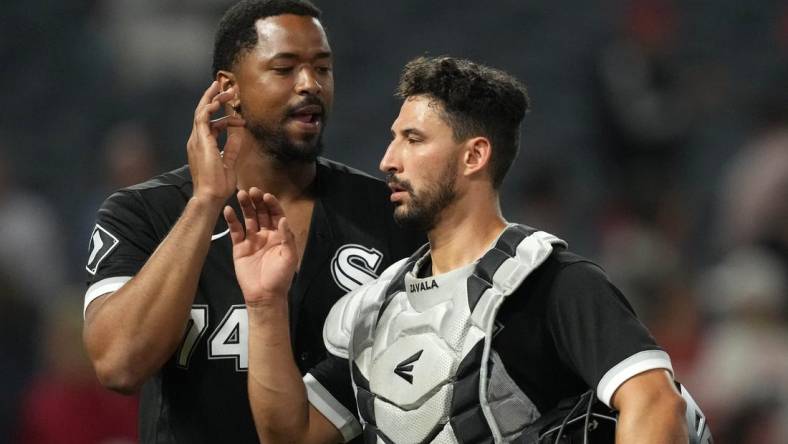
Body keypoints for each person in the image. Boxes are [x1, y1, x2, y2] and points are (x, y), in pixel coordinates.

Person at [227, 56, 697, 443]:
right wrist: (265, 304)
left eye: (412, 139)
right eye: (394, 139)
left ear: (474, 156)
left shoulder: (551, 284)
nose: (388, 160)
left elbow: (656, 404)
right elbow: (290, 438)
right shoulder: (375, 309)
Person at [81, 1, 422, 442]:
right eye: (285, 69)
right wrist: (205, 202)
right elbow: (119, 365)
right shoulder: (144, 214)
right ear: (229, 88)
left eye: (323, 68)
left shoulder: (389, 214)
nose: (310, 84)